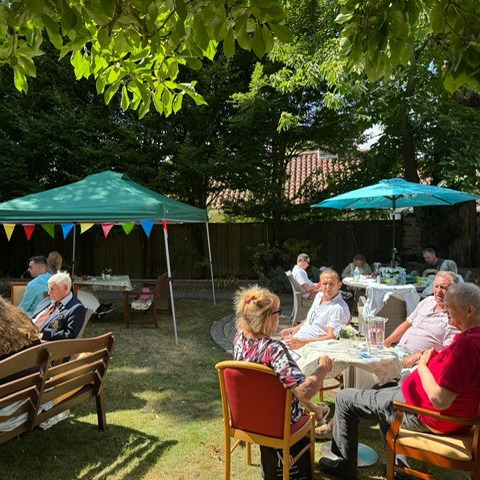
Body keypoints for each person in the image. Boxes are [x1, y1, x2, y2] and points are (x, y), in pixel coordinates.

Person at [319, 282, 480, 480]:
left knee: (345, 398)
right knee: (380, 388)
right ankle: (398, 467)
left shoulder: (468, 345)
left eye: (449, 308)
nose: (445, 312)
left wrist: (422, 366)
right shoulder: (473, 338)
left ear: (469, 310)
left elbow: (440, 400)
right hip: (422, 405)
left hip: (424, 414)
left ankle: (343, 465)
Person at [233, 285, 333, 425]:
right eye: (278, 312)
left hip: (248, 413)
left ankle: (317, 411)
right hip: (276, 421)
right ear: (268, 319)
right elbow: (305, 391)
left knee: (288, 381)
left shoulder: (239, 337)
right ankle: (313, 425)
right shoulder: (274, 350)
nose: (279, 316)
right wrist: (323, 367)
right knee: (295, 386)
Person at [384, 271, 460, 368]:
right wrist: (387, 342)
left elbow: (449, 351)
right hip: (398, 350)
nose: (438, 291)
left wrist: (419, 356)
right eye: (436, 286)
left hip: (417, 362)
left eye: (443, 287)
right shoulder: (427, 301)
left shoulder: (454, 316)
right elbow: (407, 324)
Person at [280, 269, 351, 349]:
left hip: (312, 347)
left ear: (339, 285)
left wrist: (303, 343)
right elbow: (310, 319)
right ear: (320, 285)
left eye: (331, 284)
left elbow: (332, 337)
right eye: (325, 284)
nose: (328, 288)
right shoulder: (319, 296)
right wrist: (294, 330)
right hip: (298, 339)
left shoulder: (339, 308)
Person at [31, 271, 86, 341]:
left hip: (42, 343)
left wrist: (43, 335)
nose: (48, 292)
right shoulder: (46, 301)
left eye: (52, 289)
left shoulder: (76, 308)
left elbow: (69, 335)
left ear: (65, 288)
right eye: (49, 288)